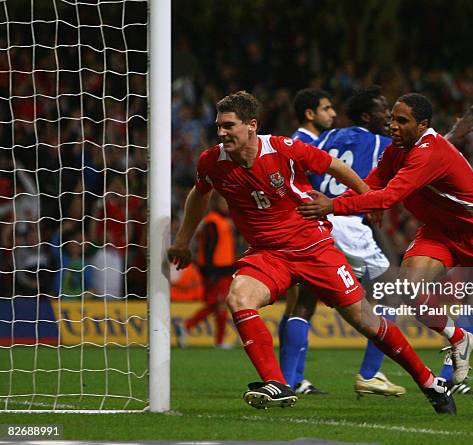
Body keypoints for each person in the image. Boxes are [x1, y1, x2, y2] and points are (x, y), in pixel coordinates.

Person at [168, 91, 457, 414]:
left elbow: (334, 166)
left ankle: (430, 381)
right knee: (238, 298)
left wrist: (368, 198)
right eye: (219, 126)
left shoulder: (282, 148)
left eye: (229, 126)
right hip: (267, 254)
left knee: (366, 321)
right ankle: (278, 384)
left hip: (313, 247)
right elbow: (199, 193)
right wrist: (182, 240)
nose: (221, 133)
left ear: (252, 126)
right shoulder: (212, 161)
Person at [298, 93, 473, 413]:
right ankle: (458, 336)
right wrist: (334, 208)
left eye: (402, 121)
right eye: (393, 119)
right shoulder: (396, 150)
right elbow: (370, 185)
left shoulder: (429, 152)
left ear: (423, 125)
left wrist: (332, 205)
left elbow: (388, 197)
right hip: (438, 232)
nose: (393, 125)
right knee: (409, 289)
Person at [281, 86, 404, 397]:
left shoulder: (325, 138)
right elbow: (416, 157)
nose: (388, 115)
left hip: (315, 221)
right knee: (391, 291)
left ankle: (284, 382)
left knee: (304, 304)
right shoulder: (380, 141)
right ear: (367, 116)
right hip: (345, 220)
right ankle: (370, 373)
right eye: (383, 109)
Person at [276, 88, 337, 395]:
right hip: (304, 233)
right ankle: (291, 380)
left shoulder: (308, 143)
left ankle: (292, 378)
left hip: (303, 232)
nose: (333, 114)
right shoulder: (300, 145)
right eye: (327, 109)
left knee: (298, 306)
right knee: (302, 305)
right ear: (310, 114)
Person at [177, 192, 235, 348]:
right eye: (223, 202)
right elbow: (208, 248)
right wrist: (211, 271)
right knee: (220, 305)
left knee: (215, 305)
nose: (226, 205)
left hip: (223, 269)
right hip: (216, 270)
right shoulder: (213, 222)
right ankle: (218, 341)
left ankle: (186, 327)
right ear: (216, 203)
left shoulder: (222, 221)